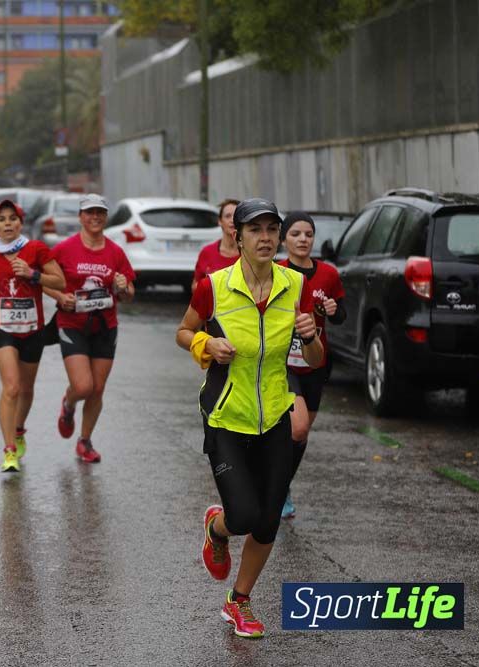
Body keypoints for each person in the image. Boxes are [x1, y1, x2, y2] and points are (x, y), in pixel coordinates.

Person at [175, 197, 323, 639]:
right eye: (255, 230)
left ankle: (238, 601)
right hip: (225, 415)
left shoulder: (295, 285)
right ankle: (216, 527)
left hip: (274, 413)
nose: (265, 238)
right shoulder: (214, 286)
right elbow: (184, 332)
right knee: (242, 515)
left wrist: (312, 336)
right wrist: (207, 346)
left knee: (268, 518)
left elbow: (314, 360)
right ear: (237, 237)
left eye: (271, 229)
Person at [0, 199, 65, 473]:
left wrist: (32, 274)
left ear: (20, 223)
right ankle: (9, 449)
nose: (7, 224)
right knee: (11, 387)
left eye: (12, 218)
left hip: (32, 330)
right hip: (1, 328)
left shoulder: (35, 249)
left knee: (26, 389)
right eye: (1, 219)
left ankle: (19, 429)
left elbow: (59, 281)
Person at [44, 194, 135, 463]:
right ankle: (69, 404)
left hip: (105, 325)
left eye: (100, 213)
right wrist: (60, 297)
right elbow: (43, 280)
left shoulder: (115, 252)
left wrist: (122, 287)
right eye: (89, 212)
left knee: (97, 389)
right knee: (83, 386)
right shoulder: (64, 249)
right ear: (80, 217)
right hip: (72, 323)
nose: (95, 217)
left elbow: (129, 291)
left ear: (105, 217)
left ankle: (84, 441)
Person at [278, 212, 346, 519]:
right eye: (295, 234)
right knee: (299, 426)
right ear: (284, 239)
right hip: (284, 363)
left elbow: (341, 314)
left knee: (301, 436)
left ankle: (283, 485)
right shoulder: (276, 272)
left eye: (308, 234)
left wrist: (333, 309)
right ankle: (276, 487)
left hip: (316, 361)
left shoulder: (328, 274)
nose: (303, 239)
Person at [192, 198, 241, 292]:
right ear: (220, 221)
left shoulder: (250, 253)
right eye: (228, 216)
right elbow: (195, 286)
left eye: (236, 216)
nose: (232, 220)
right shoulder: (207, 252)